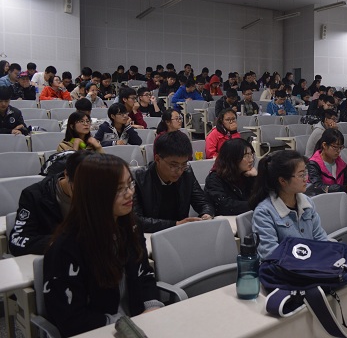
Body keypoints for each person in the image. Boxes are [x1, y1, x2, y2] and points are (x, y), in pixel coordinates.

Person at [43, 154, 163, 337]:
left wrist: (152, 307)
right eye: (119, 189)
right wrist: (122, 324)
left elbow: (144, 274)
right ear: (94, 194)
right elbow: (71, 319)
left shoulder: (130, 226)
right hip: (99, 331)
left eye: (130, 184)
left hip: (138, 323)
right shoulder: (66, 248)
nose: (129, 193)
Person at [9, 151, 93, 256]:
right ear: (66, 174)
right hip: (53, 258)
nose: (85, 195)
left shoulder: (101, 192)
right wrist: (60, 241)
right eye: (79, 188)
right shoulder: (34, 195)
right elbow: (16, 241)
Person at [250, 150, 328, 259]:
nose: (306, 179)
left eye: (305, 173)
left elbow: (320, 238)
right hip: (286, 268)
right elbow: (270, 253)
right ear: (283, 181)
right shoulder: (264, 212)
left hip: (312, 264)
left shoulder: (307, 203)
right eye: (301, 175)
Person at [133, 131, 213, 232]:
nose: (179, 171)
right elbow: (136, 221)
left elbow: (203, 202)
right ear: (157, 159)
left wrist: (206, 214)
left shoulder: (186, 173)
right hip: (150, 236)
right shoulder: (139, 179)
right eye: (173, 165)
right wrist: (176, 224)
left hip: (180, 233)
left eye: (184, 164)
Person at [204, 138, 257, 216]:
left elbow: (262, 197)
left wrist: (256, 178)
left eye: (251, 154)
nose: (251, 160)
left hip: (248, 217)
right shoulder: (214, 179)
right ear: (232, 158)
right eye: (246, 156)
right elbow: (224, 205)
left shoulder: (247, 175)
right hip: (226, 220)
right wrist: (256, 204)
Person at [307, 128, 347, 194]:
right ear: (324, 145)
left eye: (340, 147)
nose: (338, 151)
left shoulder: (341, 163)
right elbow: (317, 187)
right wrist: (341, 188)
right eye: (335, 147)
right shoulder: (313, 164)